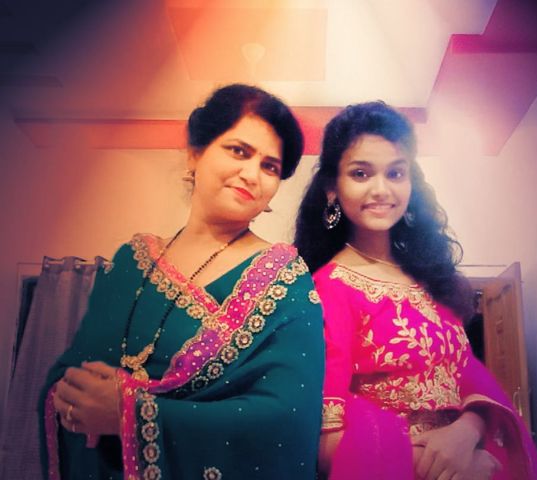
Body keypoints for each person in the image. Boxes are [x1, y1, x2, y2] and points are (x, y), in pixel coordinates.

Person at [39, 84, 325, 480]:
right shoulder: (132, 263)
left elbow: (286, 419)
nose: (251, 174)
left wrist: (132, 414)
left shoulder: (286, 281)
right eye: (239, 151)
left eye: (270, 167)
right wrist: (72, 399)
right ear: (195, 153)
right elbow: (70, 372)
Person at [295, 102, 537, 480]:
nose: (381, 189)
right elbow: (326, 443)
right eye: (361, 173)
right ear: (333, 188)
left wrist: (466, 432)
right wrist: (448, 464)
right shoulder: (328, 290)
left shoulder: (431, 282)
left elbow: (470, 379)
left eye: (396, 173)